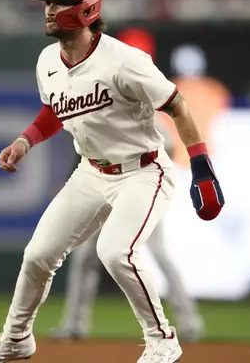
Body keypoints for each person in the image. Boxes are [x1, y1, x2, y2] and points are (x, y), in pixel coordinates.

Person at [0, 0, 224, 362]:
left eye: (59, 2)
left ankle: (163, 340)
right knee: (37, 254)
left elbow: (179, 106)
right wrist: (25, 140)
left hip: (143, 170)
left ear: (86, 9)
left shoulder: (125, 61)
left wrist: (202, 168)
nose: (49, 9)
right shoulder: (48, 60)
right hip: (91, 172)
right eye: (47, 2)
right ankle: (16, 339)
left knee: (116, 252)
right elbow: (56, 108)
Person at [52, 122, 205, 343]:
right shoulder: (99, 114)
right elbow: (84, 155)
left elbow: (169, 149)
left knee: (160, 255)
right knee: (85, 257)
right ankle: (75, 324)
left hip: (141, 194)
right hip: (103, 191)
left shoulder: (146, 117)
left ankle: (190, 322)